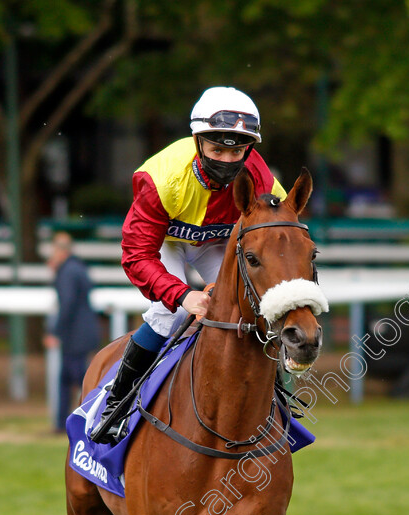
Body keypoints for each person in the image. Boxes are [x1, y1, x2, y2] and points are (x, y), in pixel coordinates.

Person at [91, 86, 286, 443]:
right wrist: (183, 297)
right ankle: (116, 402)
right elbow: (137, 256)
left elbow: (278, 246)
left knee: (262, 305)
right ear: (197, 141)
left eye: (237, 150)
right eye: (217, 149)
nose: (228, 160)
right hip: (165, 244)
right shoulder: (161, 178)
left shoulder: (263, 182)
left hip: (216, 243)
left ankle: (276, 401)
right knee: (171, 315)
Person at [44, 232, 100, 432]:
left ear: (60, 251)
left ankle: (75, 422)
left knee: (75, 379)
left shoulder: (67, 272)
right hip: (83, 332)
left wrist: (55, 331)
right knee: (72, 379)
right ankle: (65, 423)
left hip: (74, 334)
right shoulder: (78, 268)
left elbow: (66, 303)